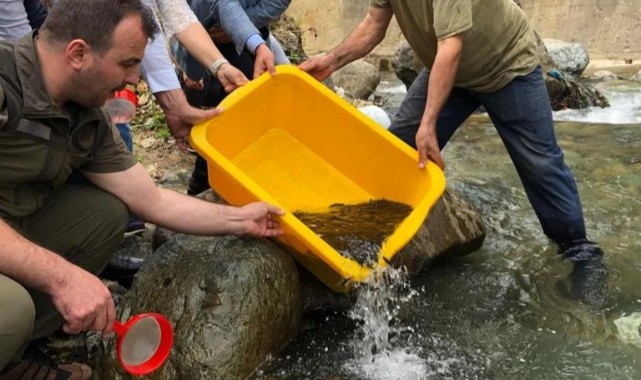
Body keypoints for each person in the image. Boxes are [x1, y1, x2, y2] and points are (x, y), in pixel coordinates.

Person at [0, 0, 284, 377]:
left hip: (13, 224)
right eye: (127, 63)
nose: (135, 79)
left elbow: (149, 199)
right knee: (12, 309)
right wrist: (63, 278)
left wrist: (242, 219)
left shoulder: (87, 115)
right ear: (78, 53)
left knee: (105, 214)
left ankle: (18, 349)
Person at [299, 0, 608, 308]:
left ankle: (580, 254)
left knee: (541, 165)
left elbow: (451, 46)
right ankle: (372, 254)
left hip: (505, 66)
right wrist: (330, 61)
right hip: (450, 68)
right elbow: (373, 24)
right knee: (400, 149)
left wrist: (429, 124)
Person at [169, 0, 291, 195]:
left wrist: (244, 34)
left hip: (245, 41)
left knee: (258, 103)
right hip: (197, 44)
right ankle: (200, 185)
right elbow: (218, 4)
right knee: (217, 108)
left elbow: (276, 3)